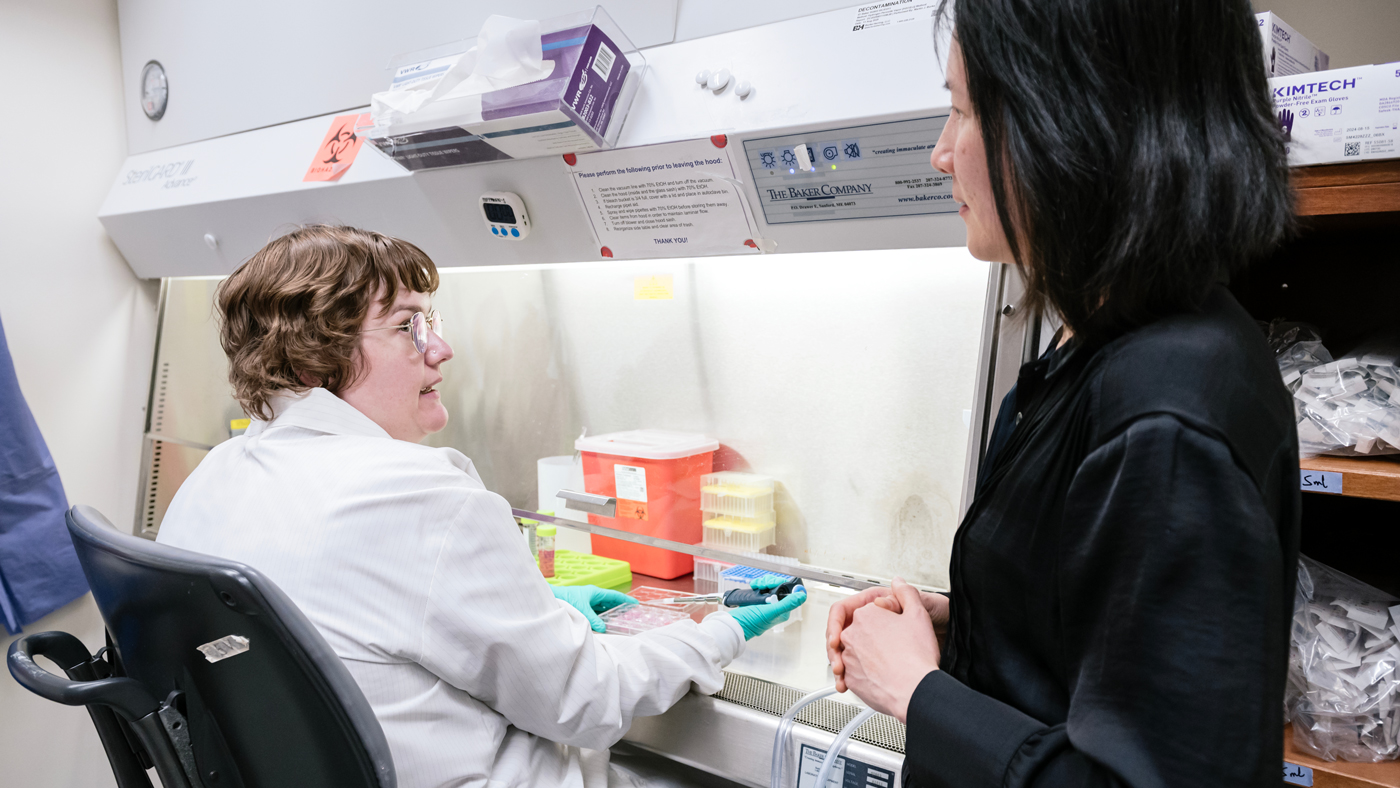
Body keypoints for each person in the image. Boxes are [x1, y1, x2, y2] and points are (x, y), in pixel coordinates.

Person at [826, 1, 1298, 786]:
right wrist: (969, 623)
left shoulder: (1168, 414)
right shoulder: (1101, 338)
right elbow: (1102, 635)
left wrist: (917, 691)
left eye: (962, 111)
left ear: (1070, 125)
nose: (943, 153)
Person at [156, 225, 805, 788]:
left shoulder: (213, 479)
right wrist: (718, 631)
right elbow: (589, 700)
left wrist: (539, 615)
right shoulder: (419, 494)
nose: (441, 348)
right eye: (409, 326)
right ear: (310, 364)